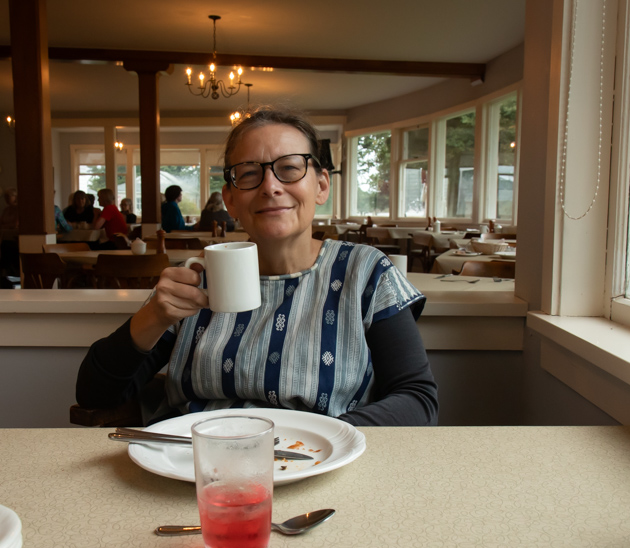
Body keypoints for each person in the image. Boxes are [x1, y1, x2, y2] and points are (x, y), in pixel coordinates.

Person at [76, 106, 438, 426]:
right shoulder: (197, 279)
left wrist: (331, 437)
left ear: (321, 186)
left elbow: (417, 400)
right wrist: (154, 315)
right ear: (230, 199)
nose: (270, 186)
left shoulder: (365, 272)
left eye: (290, 169)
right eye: (249, 174)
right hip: (193, 467)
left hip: (316, 463)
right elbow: (95, 395)